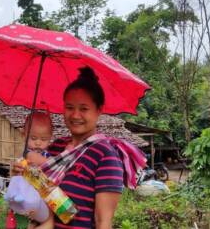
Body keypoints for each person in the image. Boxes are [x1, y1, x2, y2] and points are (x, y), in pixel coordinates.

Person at [14, 67, 126, 229]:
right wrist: (20, 174)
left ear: (99, 110)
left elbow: (103, 222)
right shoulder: (55, 147)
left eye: (84, 109)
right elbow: (36, 196)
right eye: (69, 107)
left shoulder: (105, 156)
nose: (75, 115)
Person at [5, 112, 54, 229]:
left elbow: (53, 167)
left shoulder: (49, 157)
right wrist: (16, 172)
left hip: (44, 204)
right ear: (23, 135)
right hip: (27, 203)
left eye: (44, 139)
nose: (38, 142)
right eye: (33, 138)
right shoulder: (23, 158)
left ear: (51, 137)